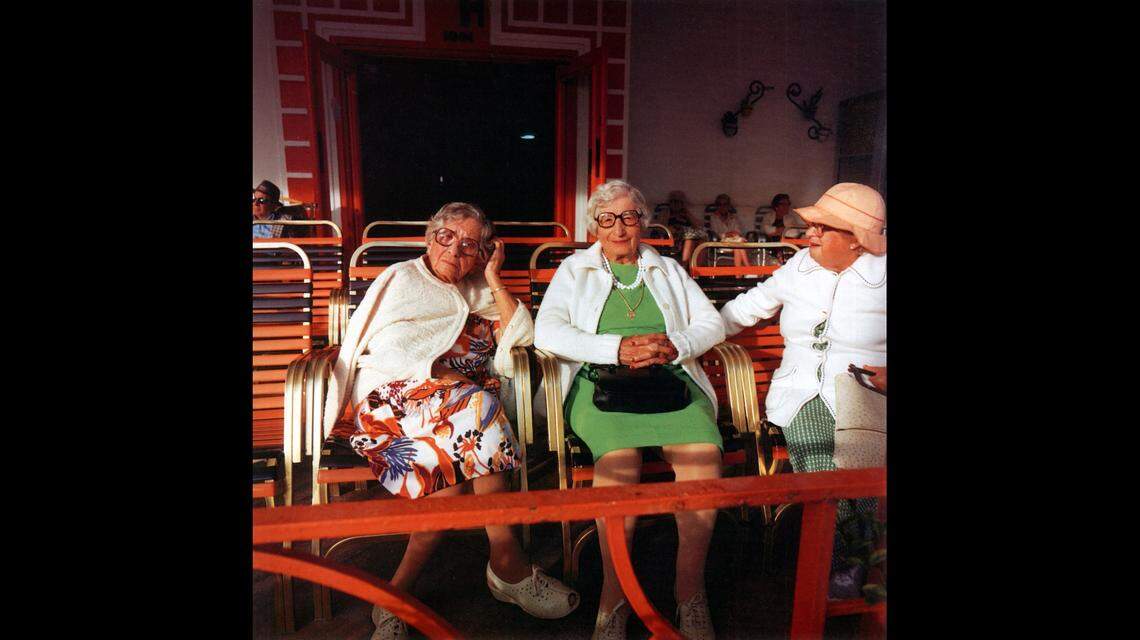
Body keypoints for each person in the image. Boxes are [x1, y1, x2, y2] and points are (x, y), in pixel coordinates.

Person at [323, 202, 579, 639]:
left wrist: (495, 278)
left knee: (460, 461)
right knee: (478, 409)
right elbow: (378, 348)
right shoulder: (401, 278)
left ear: (482, 253)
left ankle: (396, 594)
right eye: (446, 237)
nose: (455, 250)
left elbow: (523, 337)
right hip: (396, 402)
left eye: (469, 245)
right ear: (429, 236)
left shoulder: (481, 286)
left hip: (464, 411)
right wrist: (432, 370)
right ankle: (507, 563)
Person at [534, 180, 726, 640]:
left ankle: (689, 594)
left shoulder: (668, 269)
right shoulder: (573, 270)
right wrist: (615, 349)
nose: (618, 227)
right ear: (593, 226)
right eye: (607, 218)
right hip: (602, 384)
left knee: (704, 461)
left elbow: (711, 322)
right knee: (620, 466)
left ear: (642, 221)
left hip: (668, 381)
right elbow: (548, 332)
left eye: (628, 216)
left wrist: (675, 343)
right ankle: (613, 598)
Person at [718, 182, 886, 599]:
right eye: (811, 225)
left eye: (822, 227)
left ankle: (845, 565)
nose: (808, 232)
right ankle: (852, 565)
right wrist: (686, 338)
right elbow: (743, 309)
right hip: (801, 391)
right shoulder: (798, 269)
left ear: (856, 241)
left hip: (867, 394)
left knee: (860, 470)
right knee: (822, 471)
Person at [661, 190, 707, 266]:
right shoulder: (666, 212)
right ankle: (684, 266)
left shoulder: (685, 212)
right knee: (690, 240)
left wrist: (687, 214)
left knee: (702, 240)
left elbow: (698, 226)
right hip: (672, 238)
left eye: (679, 202)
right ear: (670, 202)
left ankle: (697, 269)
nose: (676, 204)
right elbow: (661, 226)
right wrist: (673, 229)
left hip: (687, 236)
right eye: (674, 201)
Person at [706, 193, 749, 267]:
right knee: (739, 244)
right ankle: (748, 269)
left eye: (725, 204)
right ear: (717, 206)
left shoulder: (732, 217)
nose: (722, 206)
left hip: (734, 241)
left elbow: (738, 231)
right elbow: (715, 233)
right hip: (721, 243)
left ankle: (739, 275)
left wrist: (731, 234)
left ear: (728, 206)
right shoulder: (714, 217)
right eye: (720, 204)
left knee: (738, 247)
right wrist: (727, 234)